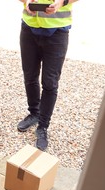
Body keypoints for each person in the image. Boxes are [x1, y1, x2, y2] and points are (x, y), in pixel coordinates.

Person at [17, 0, 78, 151]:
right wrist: (26, 2)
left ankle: (43, 126)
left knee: (50, 83)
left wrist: (61, 3)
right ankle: (34, 113)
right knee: (30, 76)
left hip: (57, 32)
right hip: (29, 29)